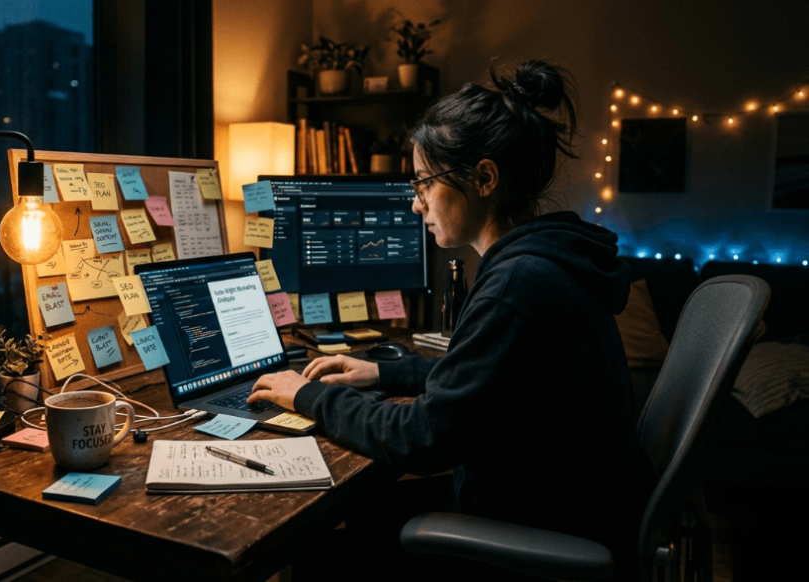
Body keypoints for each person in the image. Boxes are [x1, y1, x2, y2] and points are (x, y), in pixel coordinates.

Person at [247, 60, 655, 581]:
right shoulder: (546, 260)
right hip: (557, 502)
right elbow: (490, 376)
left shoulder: (518, 285)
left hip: (541, 526)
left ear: (484, 178)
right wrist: (383, 373)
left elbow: (422, 437)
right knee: (355, 516)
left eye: (424, 184)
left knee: (317, 555)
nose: (417, 205)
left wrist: (308, 397)